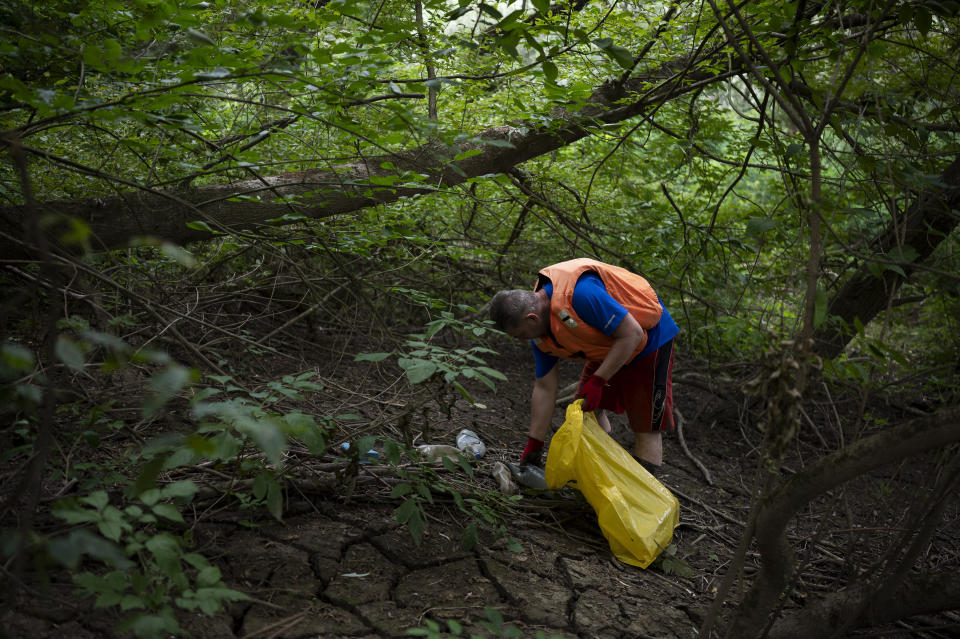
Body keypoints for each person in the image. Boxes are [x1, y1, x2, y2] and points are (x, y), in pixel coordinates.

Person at [490, 257, 678, 475]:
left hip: (649, 341)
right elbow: (544, 387)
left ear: (531, 318)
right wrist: (535, 444)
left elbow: (632, 333)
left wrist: (599, 380)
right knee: (586, 407)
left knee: (645, 424)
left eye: (522, 335)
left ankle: (644, 497)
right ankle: (601, 472)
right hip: (609, 344)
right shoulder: (541, 334)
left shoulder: (580, 295)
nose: (523, 340)